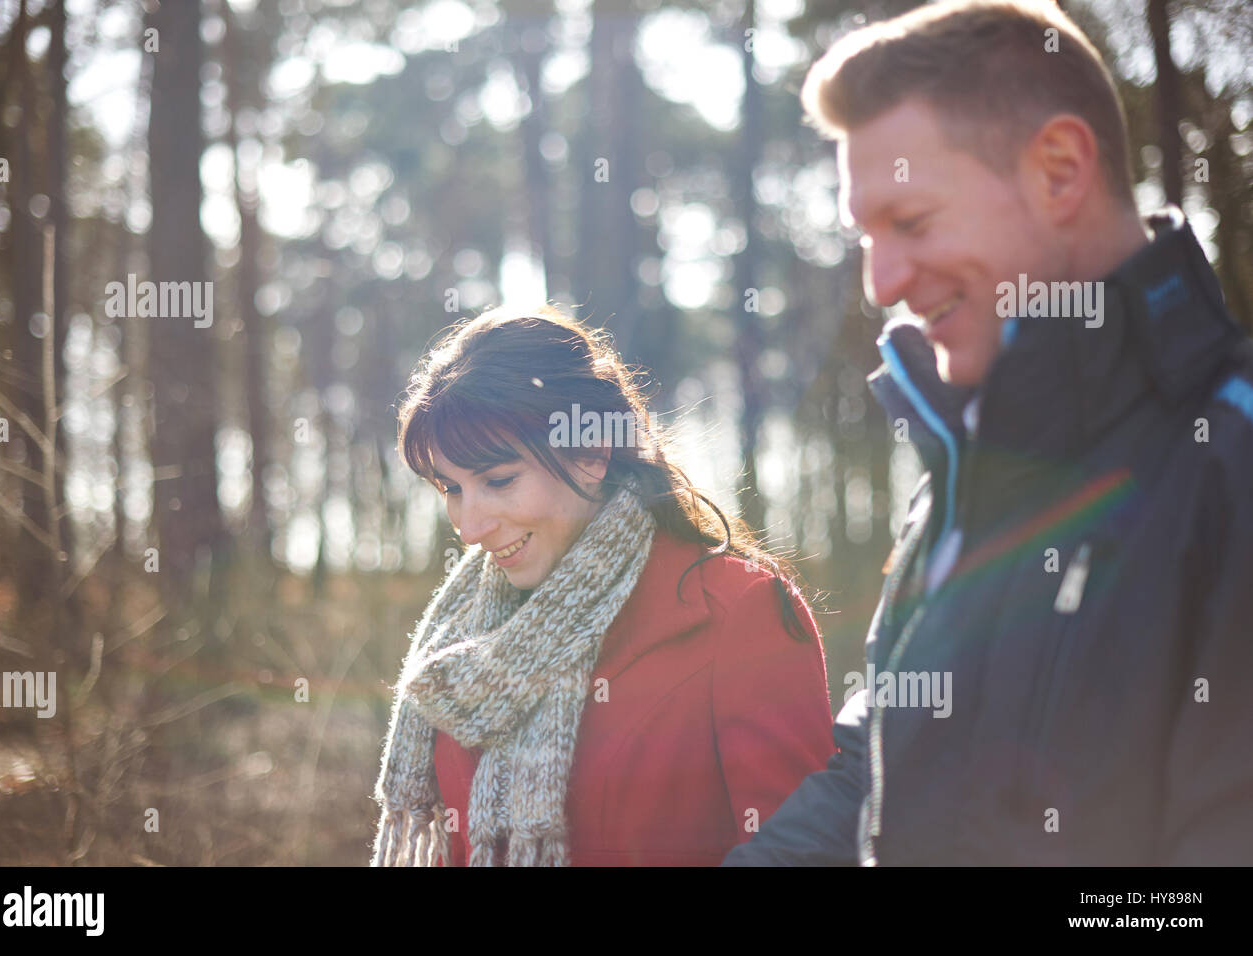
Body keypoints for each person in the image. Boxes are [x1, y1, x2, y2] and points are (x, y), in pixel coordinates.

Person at [725, 0, 1253, 865]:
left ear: (1058, 171)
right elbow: (872, 767)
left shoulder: (1232, 464)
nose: (883, 282)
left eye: (912, 222)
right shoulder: (957, 480)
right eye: (865, 235)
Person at [369, 304, 834, 866]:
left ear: (591, 452)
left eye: (498, 480)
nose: (469, 527)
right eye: (451, 488)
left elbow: (801, 853)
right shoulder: (458, 631)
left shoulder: (738, 613)